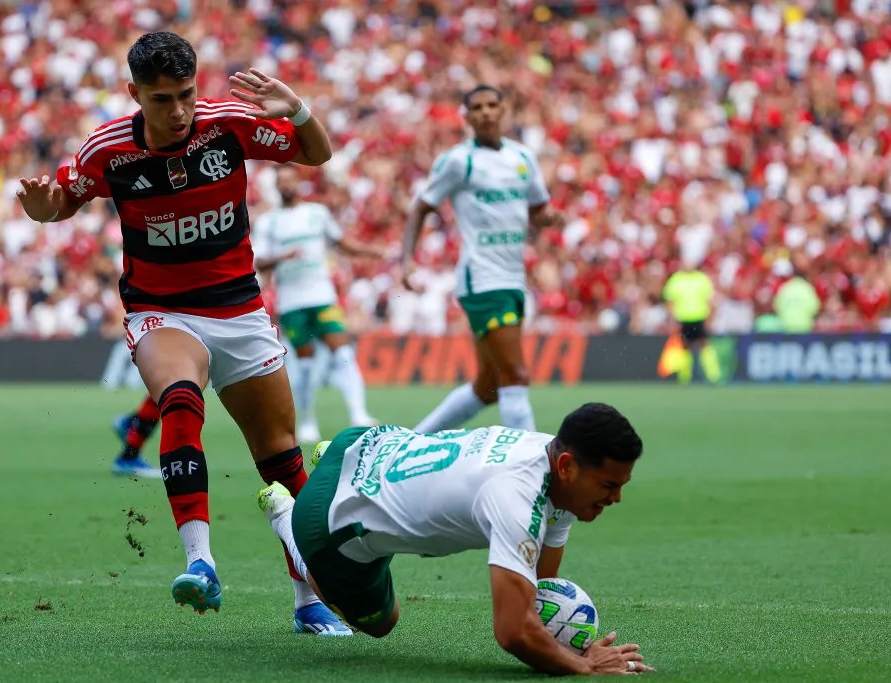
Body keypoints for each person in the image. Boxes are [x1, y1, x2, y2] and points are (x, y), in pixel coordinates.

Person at [15, 31, 349, 635]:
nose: (178, 112)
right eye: (162, 99)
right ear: (134, 94)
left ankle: (308, 604)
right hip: (162, 311)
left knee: (281, 461)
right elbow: (62, 200)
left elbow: (316, 153)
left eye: (186, 95)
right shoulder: (108, 149)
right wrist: (45, 210)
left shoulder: (227, 125)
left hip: (240, 310)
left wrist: (297, 108)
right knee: (180, 398)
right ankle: (201, 561)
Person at [256, 403, 653, 675]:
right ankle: (286, 516)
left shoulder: (553, 457)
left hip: (368, 442)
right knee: (380, 623)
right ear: (567, 467)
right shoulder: (516, 498)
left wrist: (566, 644)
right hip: (330, 519)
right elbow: (513, 631)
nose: (615, 498)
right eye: (608, 485)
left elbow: (538, 587)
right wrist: (586, 665)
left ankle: (331, 459)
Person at [401, 85, 560, 435]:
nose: (486, 112)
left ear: (504, 110)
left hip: (514, 278)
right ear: (467, 116)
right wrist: (406, 260)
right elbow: (421, 207)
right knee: (516, 376)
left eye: (492, 105)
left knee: (487, 388)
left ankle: (407, 445)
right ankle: (535, 470)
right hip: (483, 279)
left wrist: (548, 218)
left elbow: (537, 209)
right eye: (478, 107)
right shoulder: (459, 161)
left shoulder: (523, 158)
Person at [252, 165, 385, 443]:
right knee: (306, 363)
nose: (287, 185)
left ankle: (358, 413)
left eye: (291, 180)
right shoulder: (269, 223)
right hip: (291, 301)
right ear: (277, 187)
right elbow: (259, 260)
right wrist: (281, 257)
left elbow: (341, 243)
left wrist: (369, 251)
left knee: (341, 351)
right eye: (282, 182)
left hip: (322, 295)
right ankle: (308, 420)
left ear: (298, 183)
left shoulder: (317, 213)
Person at [661, 258, 722, 384]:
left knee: (704, 346)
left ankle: (714, 377)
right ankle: (685, 377)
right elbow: (670, 302)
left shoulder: (701, 278)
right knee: (684, 347)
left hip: (700, 317)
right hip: (682, 319)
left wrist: (709, 319)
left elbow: (710, 301)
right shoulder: (676, 279)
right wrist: (673, 320)